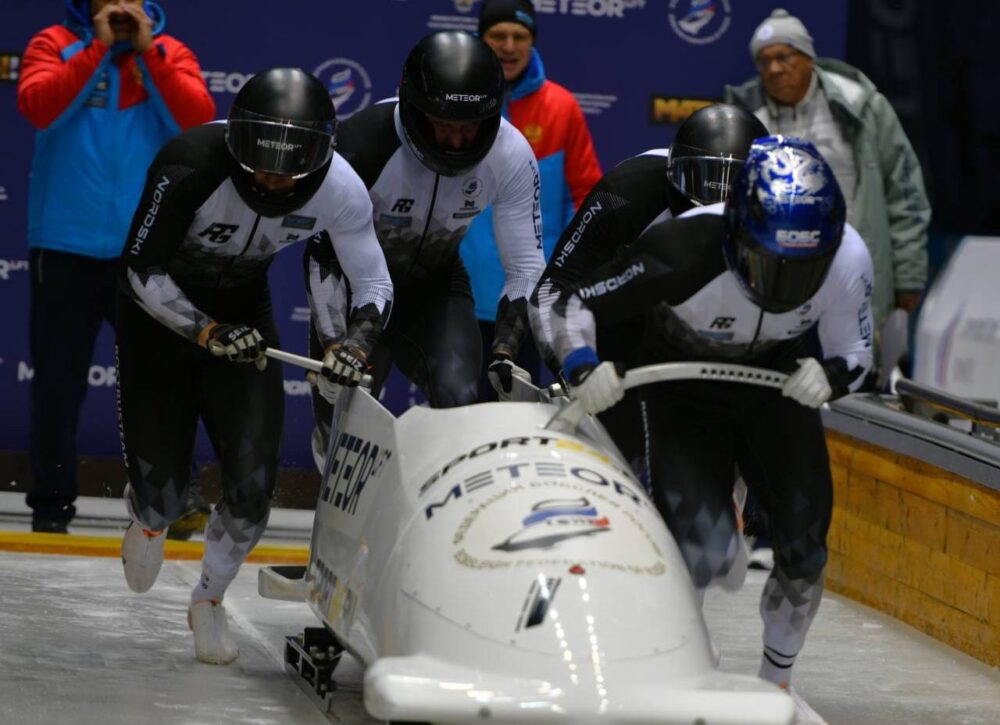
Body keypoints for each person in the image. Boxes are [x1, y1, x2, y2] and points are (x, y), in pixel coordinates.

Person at [549, 136, 874, 689]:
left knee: (805, 542)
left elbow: (856, 353)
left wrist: (833, 377)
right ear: (738, 234)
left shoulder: (848, 257)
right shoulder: (685, 244)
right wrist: (582, 365)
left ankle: (777, 679)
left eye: (802, 269)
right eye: (769, 263)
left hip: (778, 384)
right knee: (702, 547)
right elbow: (572, 301)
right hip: (682, 386)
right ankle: (677, 668)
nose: (783, 285)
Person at [116, 68, 393, 665]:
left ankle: (208, 600)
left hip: (245, 315)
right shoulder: (187, 162)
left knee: (251, 487)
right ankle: (147, 509)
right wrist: (205, 330)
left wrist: (356, 341)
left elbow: (371, 278)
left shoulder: (341, 188)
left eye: (291, 168)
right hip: (160, 322)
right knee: (165, 499)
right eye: (262, 165)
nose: (274, 178)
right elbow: (140, 269)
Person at [16, 0, 214, 533]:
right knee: (57, 387)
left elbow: (198, 123)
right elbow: (37, 106)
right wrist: (99, 47)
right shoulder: (53, 42)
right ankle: (50, 509)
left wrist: (148, 53)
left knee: (162, 379)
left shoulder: (169, 51)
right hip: (63, 246)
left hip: (144, 248)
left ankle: (174, 501)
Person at [308, 31, 544, 445]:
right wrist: (333, 343)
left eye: (469, 128)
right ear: (416, 111)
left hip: (436, 287)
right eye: (443, 125)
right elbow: (321, 253)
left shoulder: (511, 154)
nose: (456, 140)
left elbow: (525, 266)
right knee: (343, 421)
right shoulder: (362, 145)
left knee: (460, 400)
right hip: (355, 293)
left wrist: (506, 350)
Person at [530, 103, 768, 467]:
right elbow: (553, 289)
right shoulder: (627, 192)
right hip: (623, 332)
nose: (714, 208)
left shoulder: (778, 215)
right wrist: (578, 368)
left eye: (732, 191)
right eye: (703, 181)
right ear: (673, 172)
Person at [724, 8, 930, 344]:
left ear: (808, 56)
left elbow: (904, 192)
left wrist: (908, 275)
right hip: (774, 272)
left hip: (855, 265)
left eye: (783, 56)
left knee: (856, 369)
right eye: (764, 62)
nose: (775, 69)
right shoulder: (747, 119)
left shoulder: (862, 108)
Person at [460, 0, 602, 400]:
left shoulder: (561, 107)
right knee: (458, 412)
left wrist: (566, 276)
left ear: (532, 41)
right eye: (498, 36)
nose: (508, 46)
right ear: (479, 38)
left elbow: (586, 198)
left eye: (519, 36)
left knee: (516, 418)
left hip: (530, 299)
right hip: (461, 294)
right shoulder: (455, 99)